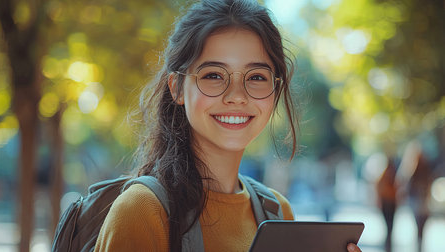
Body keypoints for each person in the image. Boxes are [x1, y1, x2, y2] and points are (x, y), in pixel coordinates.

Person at [95, 0, 362, 251]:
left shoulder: (279, 212)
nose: (237, 95)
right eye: (213, 75)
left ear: (275, 90)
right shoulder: (142, 211)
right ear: (176, 88)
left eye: (256, 76)